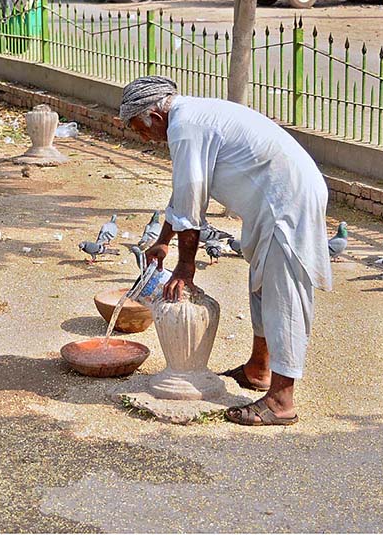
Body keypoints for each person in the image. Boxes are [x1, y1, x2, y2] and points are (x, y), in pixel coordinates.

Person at [120, 75, 332, 426]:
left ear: (154, 118)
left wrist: (185, 269)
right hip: (278, 199)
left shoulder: (185, 127)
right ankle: (258, 369)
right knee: (261, 284)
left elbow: (190, 205)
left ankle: (281, 400)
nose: (142, 138)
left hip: (288, 202)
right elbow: (185, 192)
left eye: (139, 129)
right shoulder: (189, 118)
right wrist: (163, 240)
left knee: (285, 295)